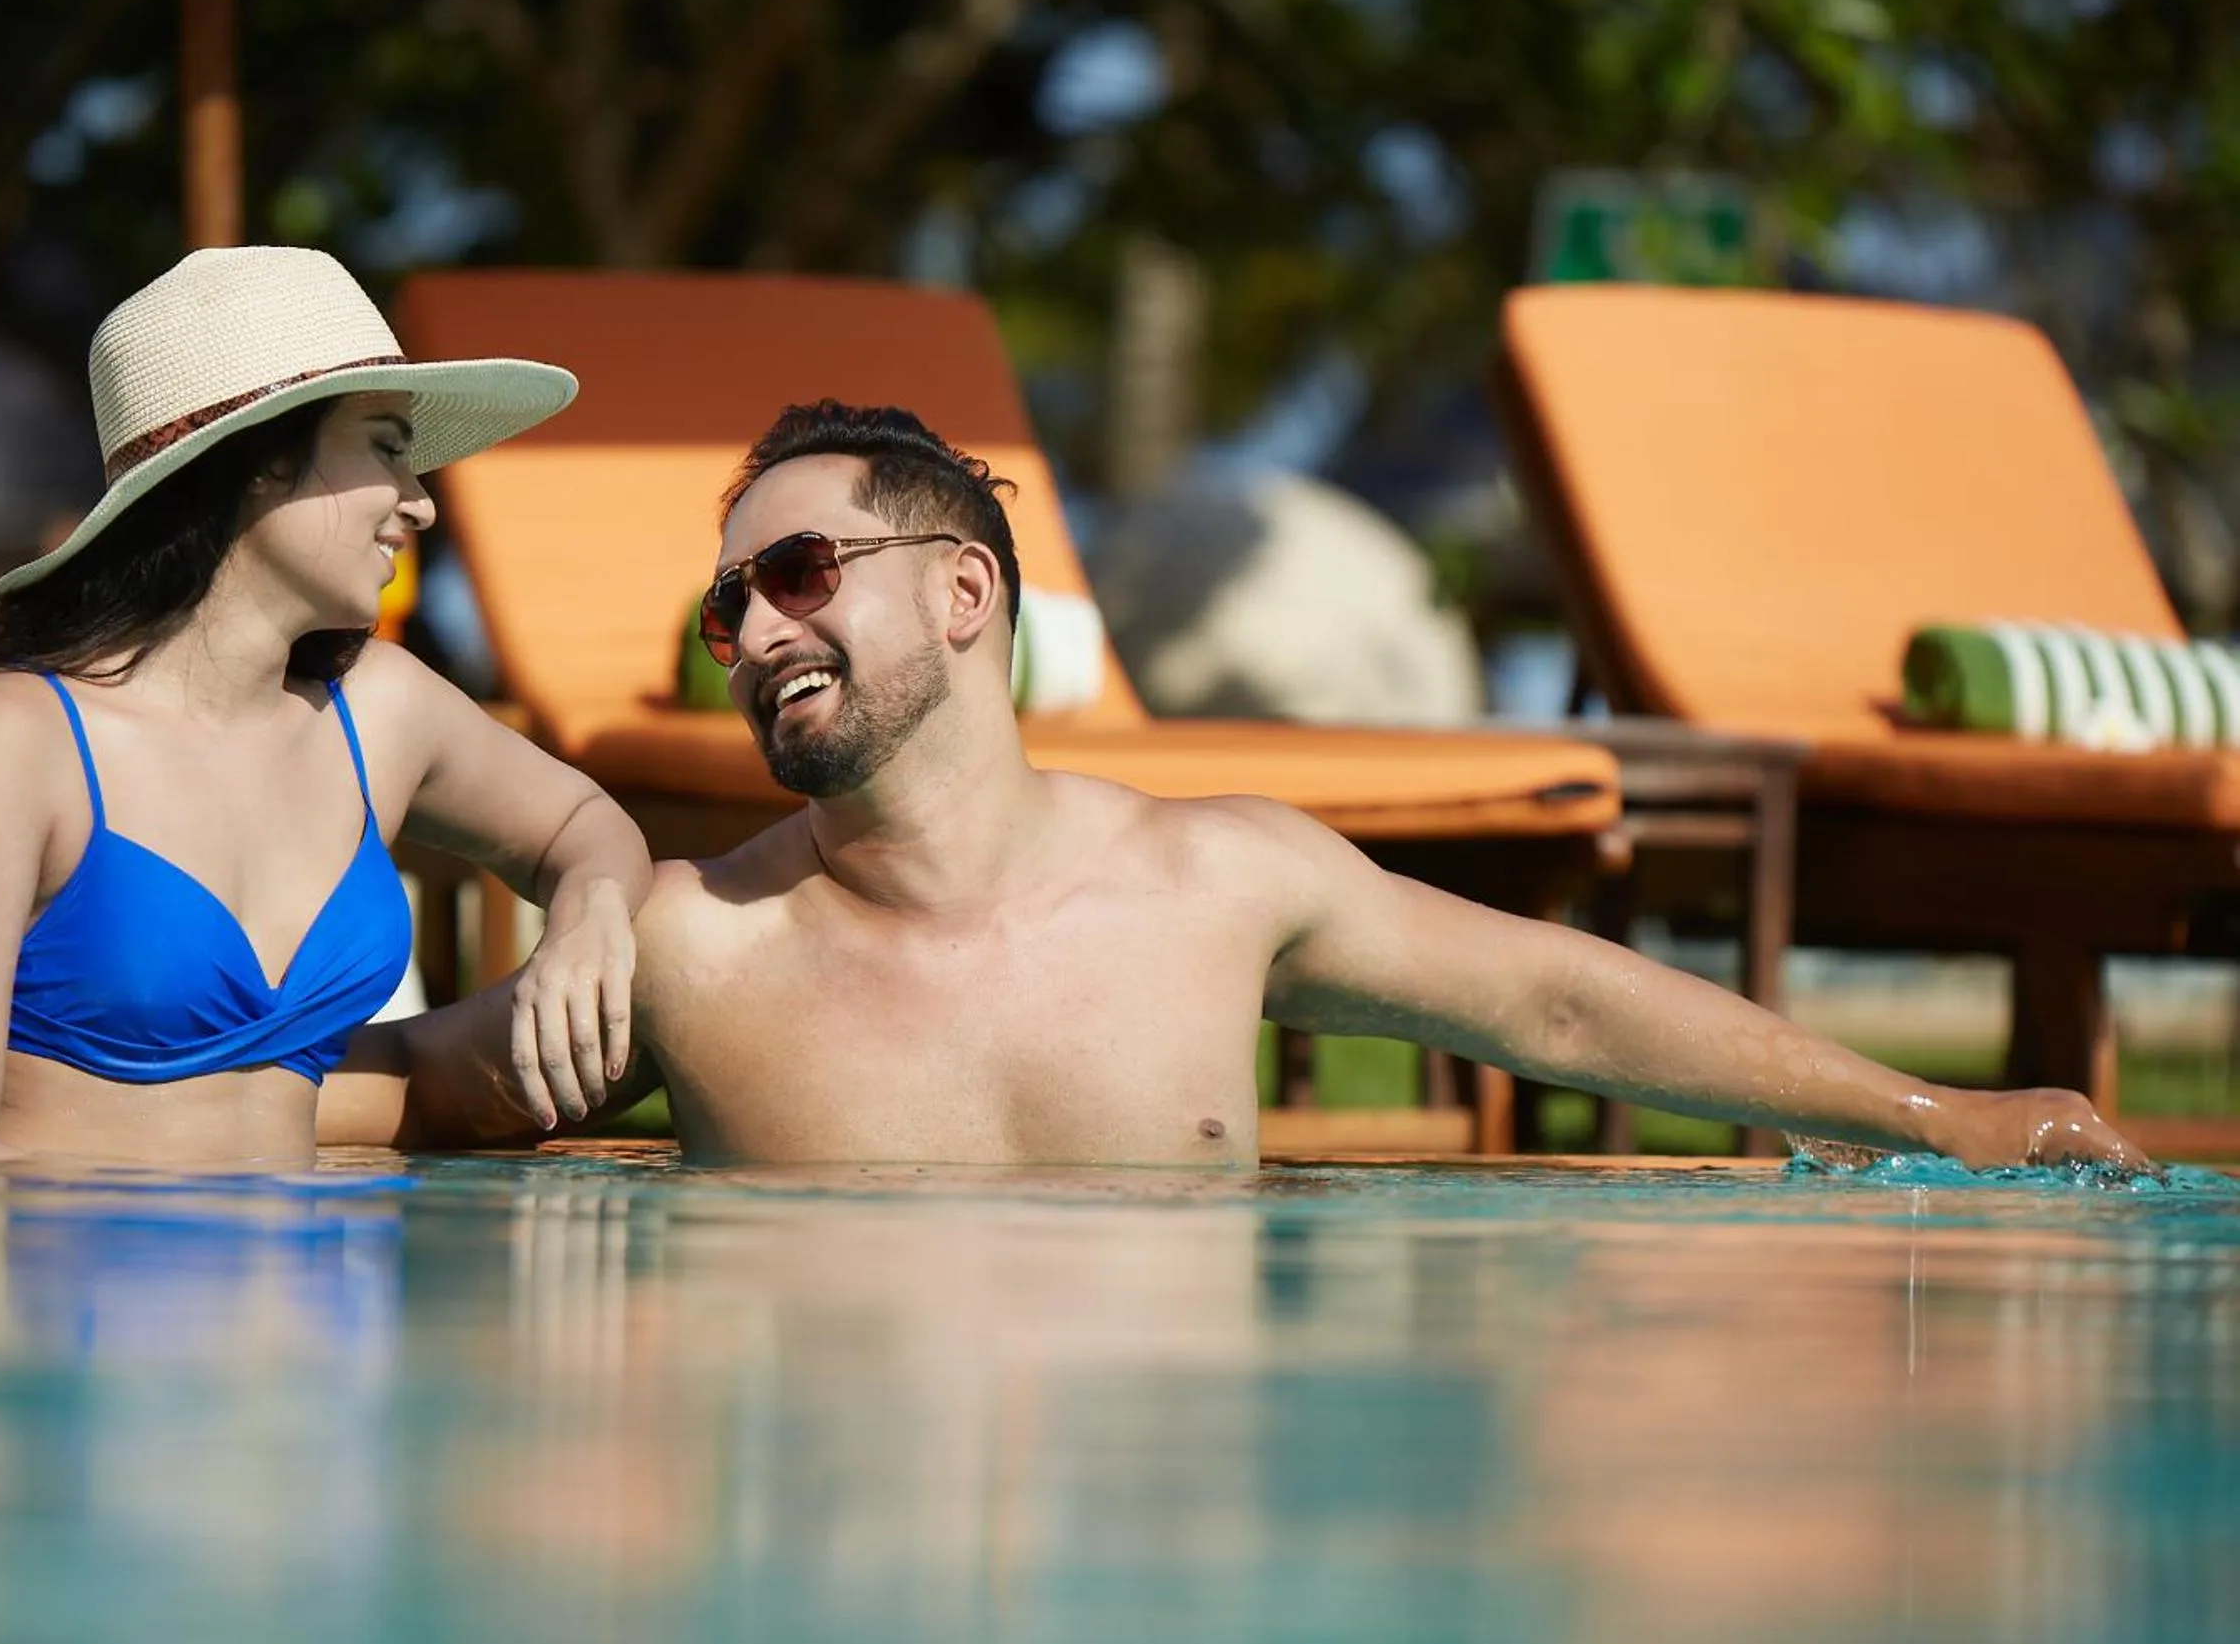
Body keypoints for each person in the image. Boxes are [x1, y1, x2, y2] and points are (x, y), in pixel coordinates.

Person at [337, 401, 2144, 1172]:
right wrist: (71, 1113)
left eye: (799, 569)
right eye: (726, 601)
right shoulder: (691, 942)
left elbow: (1565, 994)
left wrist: (1942, 1115)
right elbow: (416, 1096)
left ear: (967, 590)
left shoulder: (1222, 885)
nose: (751, 624)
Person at [0, 246, 647, 1165]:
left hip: (326, 1287)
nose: (422, 503)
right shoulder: (16, 740)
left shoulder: (378, 711)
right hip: (81, 1294)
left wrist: (590, 910)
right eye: (389, 448)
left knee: (679, 935)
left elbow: (584, 824)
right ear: (263, 463)